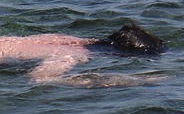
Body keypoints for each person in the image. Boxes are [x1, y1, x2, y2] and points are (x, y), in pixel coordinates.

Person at [0, 22, 165, 87]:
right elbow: (39, 78)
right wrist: (130, 81)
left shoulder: (66, 39)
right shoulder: (72, 54)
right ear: (122, 56)